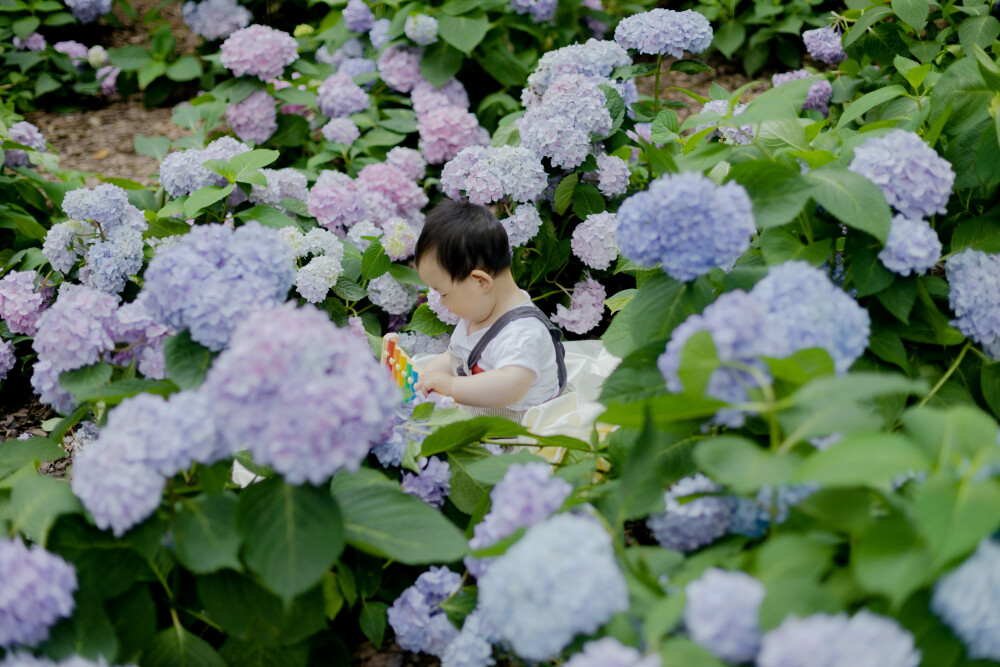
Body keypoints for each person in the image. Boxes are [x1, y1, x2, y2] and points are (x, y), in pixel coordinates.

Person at [413, 200, 567, 422]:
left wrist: (452, 386)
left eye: (444, 294)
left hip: (518, 429)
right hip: (482, 417)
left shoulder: (521, 332)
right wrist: (427, 377)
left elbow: (511, 385)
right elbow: (454, 357)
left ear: (480, 281)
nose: (442, 302)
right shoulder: (479, 310)